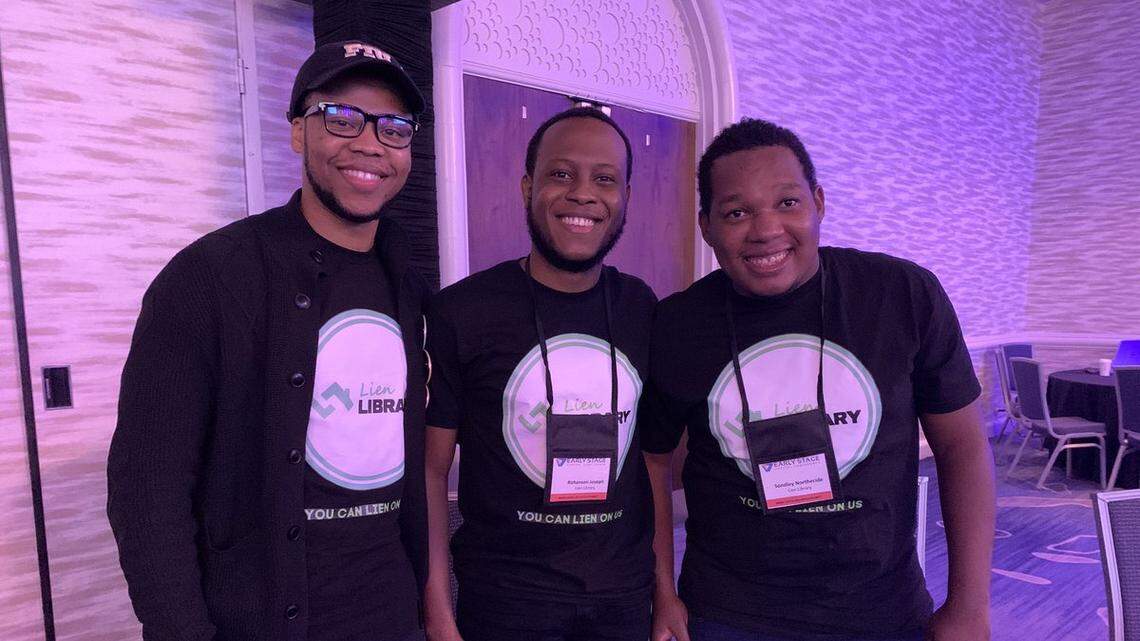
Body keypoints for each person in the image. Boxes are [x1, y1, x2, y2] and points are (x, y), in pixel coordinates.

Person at [108, 40, 431, 641]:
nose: (370, 143)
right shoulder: (210, 277)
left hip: (390, 614)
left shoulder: (407, 284)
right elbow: (147, 487)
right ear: (298, 132)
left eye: (393, 128)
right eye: (342, 117)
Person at [642, 118, 995, 641]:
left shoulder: (902, 296)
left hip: (881, 611)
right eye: (737, 212)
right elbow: (651, 458)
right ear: (706, 226)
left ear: (819, 203)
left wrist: (969, 605)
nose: (765, 230)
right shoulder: (680, 323)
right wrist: (662, 591)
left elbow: (962, 446)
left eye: (787, 202)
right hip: (727, 614)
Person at [422, 107, 678, 641]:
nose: (583, 194)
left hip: (621, 600)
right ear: (527, 187)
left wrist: (665, 592)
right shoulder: (463, 312)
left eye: (604, 179)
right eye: (561, 174)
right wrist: (439, 614)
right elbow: (431, 471)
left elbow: (651, 463)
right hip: (506, 602)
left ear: (625, 197)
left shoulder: (641, 308)